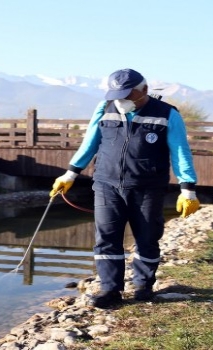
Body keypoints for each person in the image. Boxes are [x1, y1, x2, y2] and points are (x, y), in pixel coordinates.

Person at [50, 68, 200, 308]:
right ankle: (110, 289)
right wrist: (70, 174)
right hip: (106, 185)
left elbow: (181, 152)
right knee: (107, 238)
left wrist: (188, 190)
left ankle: (143, 285)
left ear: (144, 91)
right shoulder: (104, 109)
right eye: (117, 96)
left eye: (127, 96)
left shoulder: (167, 114)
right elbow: (89, 143)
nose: (121, 101)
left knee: (148, 237)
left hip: (148, 187)